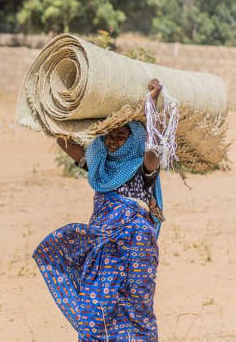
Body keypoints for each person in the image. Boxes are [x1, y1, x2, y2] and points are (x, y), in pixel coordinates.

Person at [33, 79, 166, 341]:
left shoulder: (143, 166)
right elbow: (67, 145)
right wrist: (56, 113)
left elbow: (155, 149)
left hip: (137, 248)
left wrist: (152, 104)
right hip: (103, 246)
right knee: (97, 306)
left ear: (134, 138)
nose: (113, 141)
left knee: (137, 306)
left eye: (121, 135)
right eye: (110, 136)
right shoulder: (99, 168)